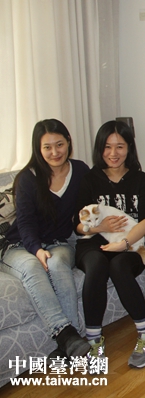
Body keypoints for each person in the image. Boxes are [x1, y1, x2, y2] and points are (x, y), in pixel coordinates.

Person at [1, 119, 90, 359]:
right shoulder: (27, 178)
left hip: (59, 242)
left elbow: (86, 209)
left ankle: (68, 344)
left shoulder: (80, 171)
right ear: (38, 149)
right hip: (19, 245)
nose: (55, 152)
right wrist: (37, 249)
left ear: (68, 142)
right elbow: (25, 222)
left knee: (58, 263)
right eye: (47, 147)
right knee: (33, 266)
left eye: (59, 144)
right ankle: (68, 336)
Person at [75, 120, 145, 369]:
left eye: (120, 146)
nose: (113, 153)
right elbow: (77, 225)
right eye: (107, 147)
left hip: (130, 245)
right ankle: (93, 341)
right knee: (97, 264)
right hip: (94, 245)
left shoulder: (141, 179)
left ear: (129, 148)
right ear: (100, 149)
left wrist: (124, 242)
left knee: (119, 266)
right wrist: (99, 228)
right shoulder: (89, 179)